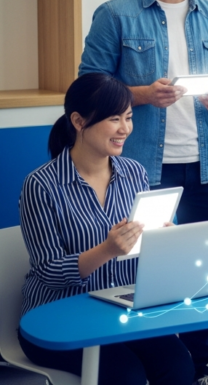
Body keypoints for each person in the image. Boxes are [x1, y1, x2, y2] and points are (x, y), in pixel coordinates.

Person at [78, 0, 208, 385]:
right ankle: (154, 367)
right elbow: (87, 88)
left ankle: (198, 372)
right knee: (148, 275)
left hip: (205, 167)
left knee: (203, 276)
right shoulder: (115, 14)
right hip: (143, 169)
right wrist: (143, 95)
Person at [18, 73, 192, 385]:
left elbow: (144, 252)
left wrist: (166, 241)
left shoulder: (134, 172)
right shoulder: (41, 185)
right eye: (114, 119)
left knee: (178, 365)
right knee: (126, 376)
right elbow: (48, 271)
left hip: (121, 313)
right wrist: (107, 250)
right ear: (78, 121)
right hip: (57, 318)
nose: (125, 129)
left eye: (128, 117)